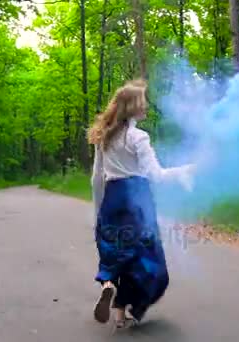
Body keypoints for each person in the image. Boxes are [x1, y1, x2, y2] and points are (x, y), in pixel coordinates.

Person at [87, 79, 195, 329]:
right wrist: (185, 171)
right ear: (133, 106)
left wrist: (97, 214)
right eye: (143, 101)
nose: (146, 105)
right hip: (138, 199)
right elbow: (156, 175)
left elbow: (96, 178)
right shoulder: (139, 137)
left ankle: (109, 288)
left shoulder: (105, 137)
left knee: (115, 250)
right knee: (146, 259)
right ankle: (131, 308)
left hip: (112, 198)